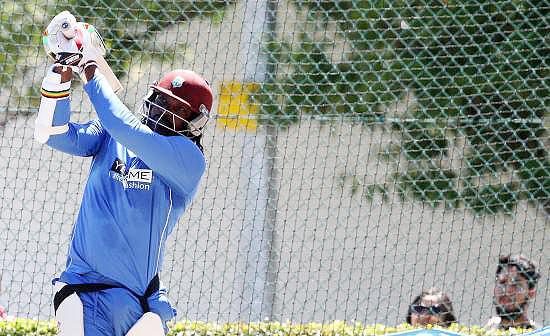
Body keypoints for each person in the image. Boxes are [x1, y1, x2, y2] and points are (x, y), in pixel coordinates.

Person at [35, 13, 212, 336]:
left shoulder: (189, 161)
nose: (161, 109)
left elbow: (125, 128)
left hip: (140, 304)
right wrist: (62, 71)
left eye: (176, 108)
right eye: (159, 99)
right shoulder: (113, 131)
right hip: (86, 291)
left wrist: (89, 70)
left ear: (195, 121)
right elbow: (54, 134)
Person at [485, 254, 541, 330]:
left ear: (531, 293)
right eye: (502, 282)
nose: (507, 290)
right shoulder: (485, 331)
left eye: (516, 284)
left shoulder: (539, 333)